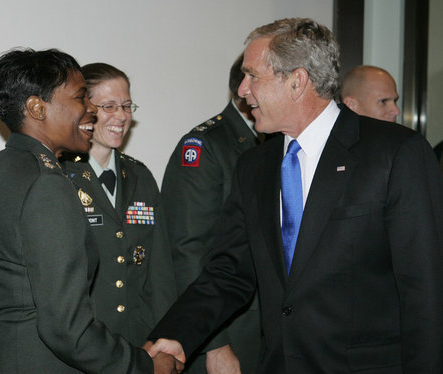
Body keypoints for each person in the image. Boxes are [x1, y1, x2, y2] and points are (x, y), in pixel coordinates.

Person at [146, 18, 443, 373]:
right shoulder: (254, 166)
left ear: (297, 82)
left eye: (253, 76)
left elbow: (425, 292)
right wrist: (176, 333)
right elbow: (228, 273)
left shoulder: (396, 153)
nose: (242, 90)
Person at [0, 48, 181, 374]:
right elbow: (66, 328)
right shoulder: (47, 184)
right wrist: (144, 366)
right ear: (37, 107)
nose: (91, 111)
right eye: (80, 99)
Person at [62, 62, 176, 347]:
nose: (122, 116)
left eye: (126, 106)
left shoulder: (141, 177)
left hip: (138, 342)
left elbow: (159, 272)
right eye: (109, 106)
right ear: (85, 109)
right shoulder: (60, 176)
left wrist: (163, 337)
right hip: (85, 345)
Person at [160, 54, 261, 374]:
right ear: (243, 88)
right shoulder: (207, 145)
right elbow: (188, 250)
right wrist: (216, 344)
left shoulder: (273, 141)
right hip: (229, 330)